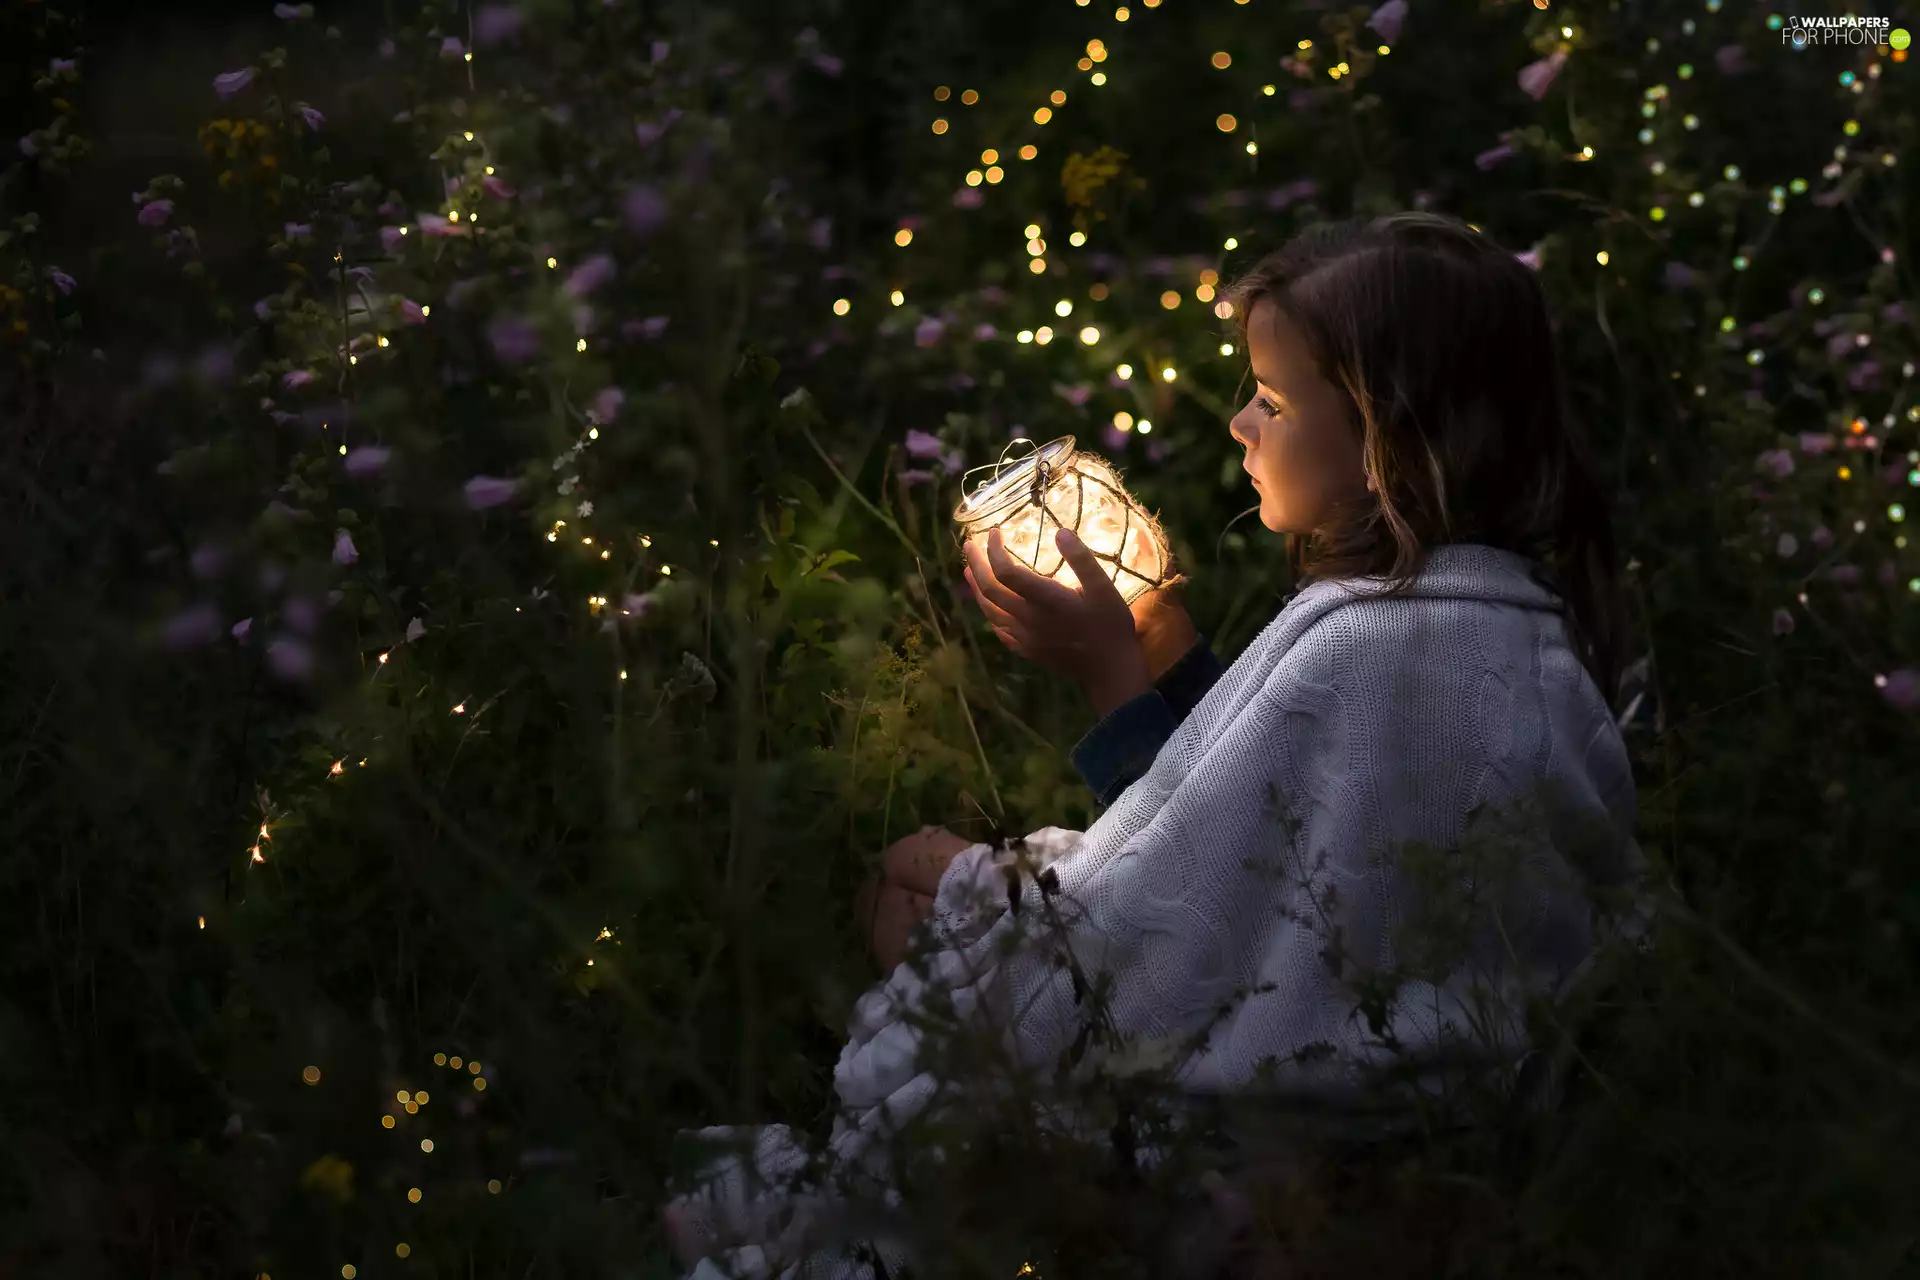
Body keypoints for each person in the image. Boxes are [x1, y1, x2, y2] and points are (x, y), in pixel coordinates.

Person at [666, 212, 1644, 1278]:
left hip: (1267, 1148)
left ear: (1387, 443)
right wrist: (1166, 642)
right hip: (1419, 1123)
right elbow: (1274, 839)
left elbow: (1185, 919)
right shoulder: (1506, 620)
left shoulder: (1377, 642)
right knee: (932, 892)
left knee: (910, 882)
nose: (1240, 423)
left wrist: (1110, 678)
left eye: (1272, 402)